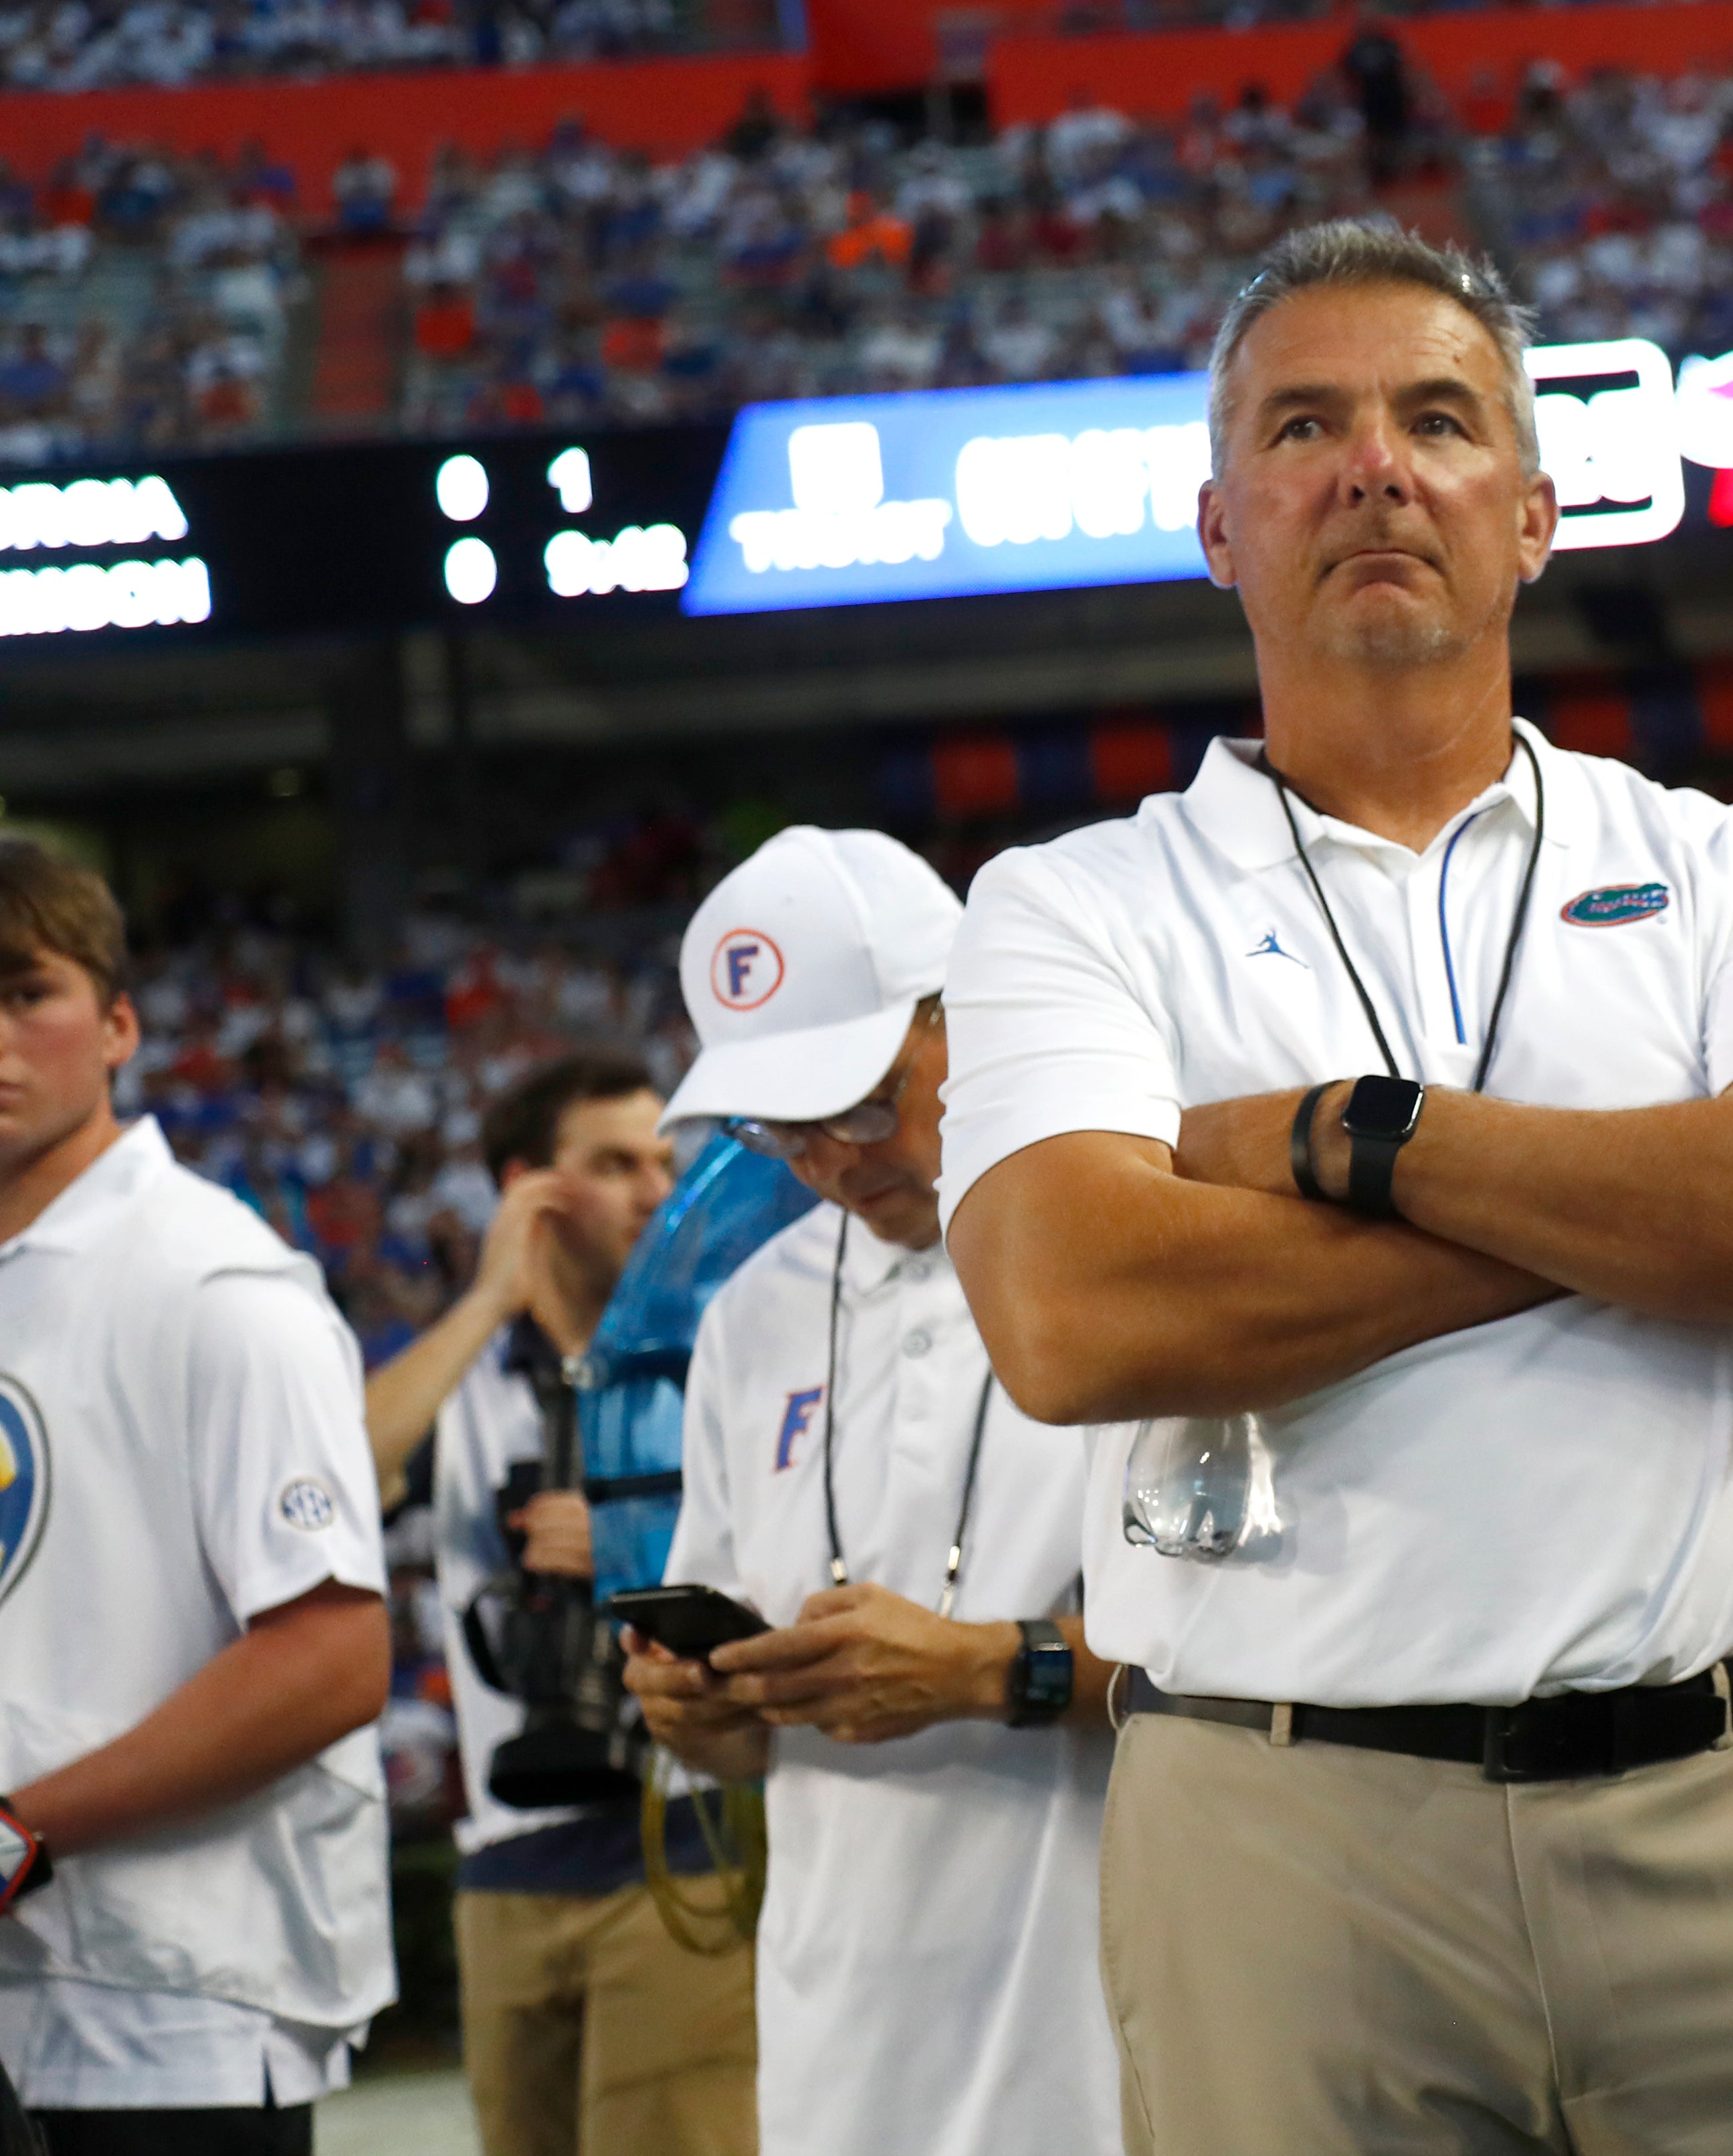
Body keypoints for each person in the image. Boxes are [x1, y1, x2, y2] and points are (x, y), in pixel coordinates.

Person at [938, 218, 1733, 2154]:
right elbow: (1079, 1319)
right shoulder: (1067, 904)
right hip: (1284, 1831)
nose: (1375, 467)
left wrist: (1358, 1143)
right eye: (1304, 428)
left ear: (1535, 514)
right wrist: (1635, 1210)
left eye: (1437, 418)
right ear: (1221, 526)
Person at [621, 828, 1124, 2156]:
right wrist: (697, 1708)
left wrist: (989, 1672)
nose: (835, 1158)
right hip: (842, 2039)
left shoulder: (1137, 1240)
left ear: (976, 1013)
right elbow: (737, 1739)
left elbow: (1269, 1651)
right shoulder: (752, 1315)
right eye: (785, 1129)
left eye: (863, 1100)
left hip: (1101, 2012)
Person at [0, 839, 395, 2151]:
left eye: (24, 993)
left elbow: (330, 1659)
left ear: (117, 1026)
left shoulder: (216, 1283)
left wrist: (16, 1831)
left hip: (173, 2014)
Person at [361, 1053, 756, 2156]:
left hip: (677, 1830)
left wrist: (641, 1542)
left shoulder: (714, 1353)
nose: (656, 1191)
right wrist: (490, 1293)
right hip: (507, 1857)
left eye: (665, 1163)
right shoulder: (467, 1379)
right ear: (528, 1186)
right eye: (616, 1163)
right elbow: (330, 1479)